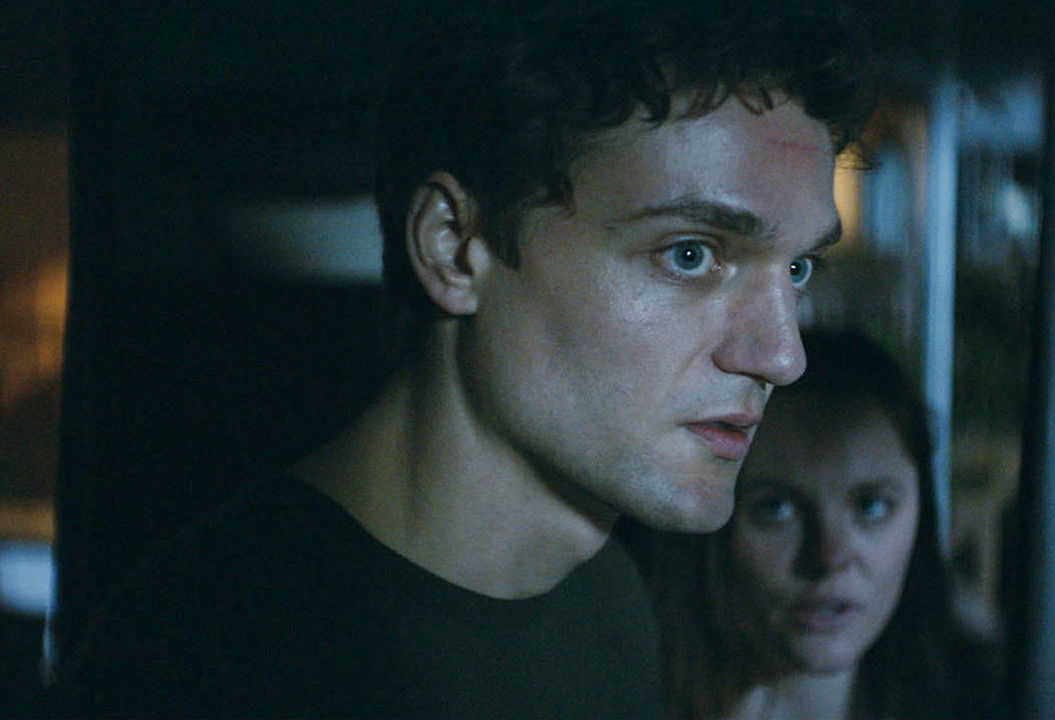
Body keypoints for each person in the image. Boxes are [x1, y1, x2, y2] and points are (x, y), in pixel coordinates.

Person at [43, 1, 877, 716]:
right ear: (453, 246)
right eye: (690, 254)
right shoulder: (220, 656)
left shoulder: (606, 604)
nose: (782, 355)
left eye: (799, 268)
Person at [645, 331, 1008, 719]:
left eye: (871, 506)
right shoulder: (622, 693)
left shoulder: (991, 695)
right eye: (777, 509)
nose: (830, 558)